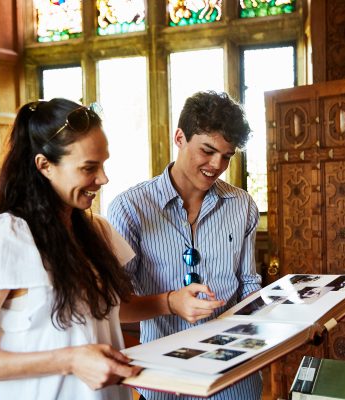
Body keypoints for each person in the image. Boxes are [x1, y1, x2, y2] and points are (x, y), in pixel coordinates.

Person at [0, 98, 142, 400]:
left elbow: (108, 312)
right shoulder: (6, 235)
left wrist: (172, 302)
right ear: (44, 165)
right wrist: (70, 360)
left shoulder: (97, 230)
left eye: (104, 163)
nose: (103, 178)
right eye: (89, 167)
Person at [109, 90, 263, 400]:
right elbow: (115, 307)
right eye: (207, 150)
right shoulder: (129, 208)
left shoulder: (242, 205)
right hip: (166, 380)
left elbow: (248, 286)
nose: (216, 164)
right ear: (180, 137)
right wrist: (169, 302)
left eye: (227, 156)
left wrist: (283, 324)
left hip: (235, 378)